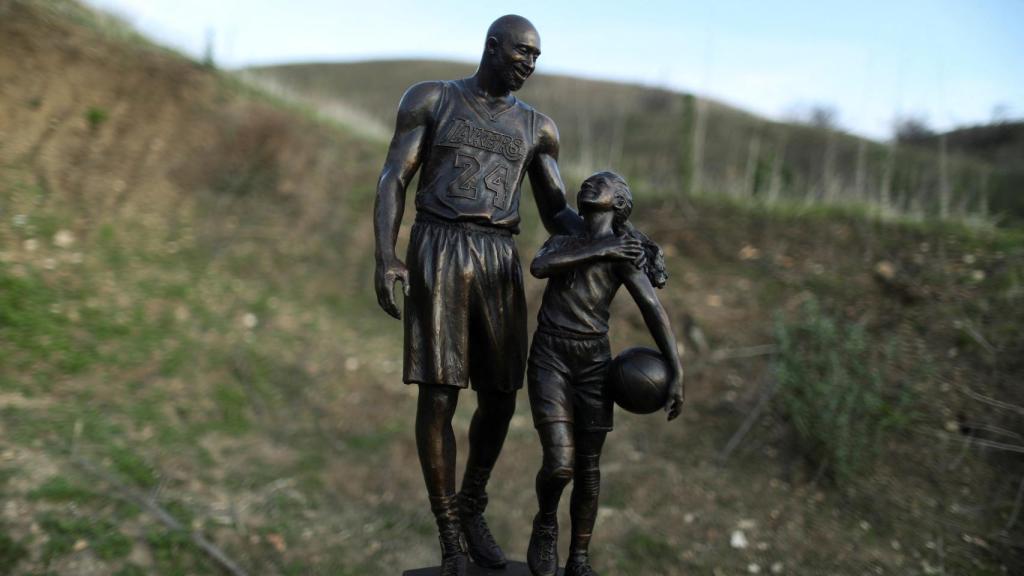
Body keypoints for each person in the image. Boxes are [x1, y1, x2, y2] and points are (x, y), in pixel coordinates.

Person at [373, 14, 635, 576]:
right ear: (493, 47)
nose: (530, 65)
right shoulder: (431, 99)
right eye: (522, 54)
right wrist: (386, 255)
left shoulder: (538, 128)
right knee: (439, 395)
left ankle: (472, 503)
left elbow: (558, 212)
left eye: (537, 57)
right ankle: (448, 533)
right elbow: (394, 176)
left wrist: (625, 239)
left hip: (498, 257)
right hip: (439, 246)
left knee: (500, 394)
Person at [525, 171, 684, 576]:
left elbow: (653, 309)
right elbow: (541, 266)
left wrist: (677, 371)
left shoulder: (625, 253)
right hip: (551, 356)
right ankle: (545, 520)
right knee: (560, 463)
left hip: (593, 362)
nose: (592, 183)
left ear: (620, 203)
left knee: (588, 469)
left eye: (605, 182)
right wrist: (601, 249)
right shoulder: (565, 239)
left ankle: (580, 557)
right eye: (591, 181)